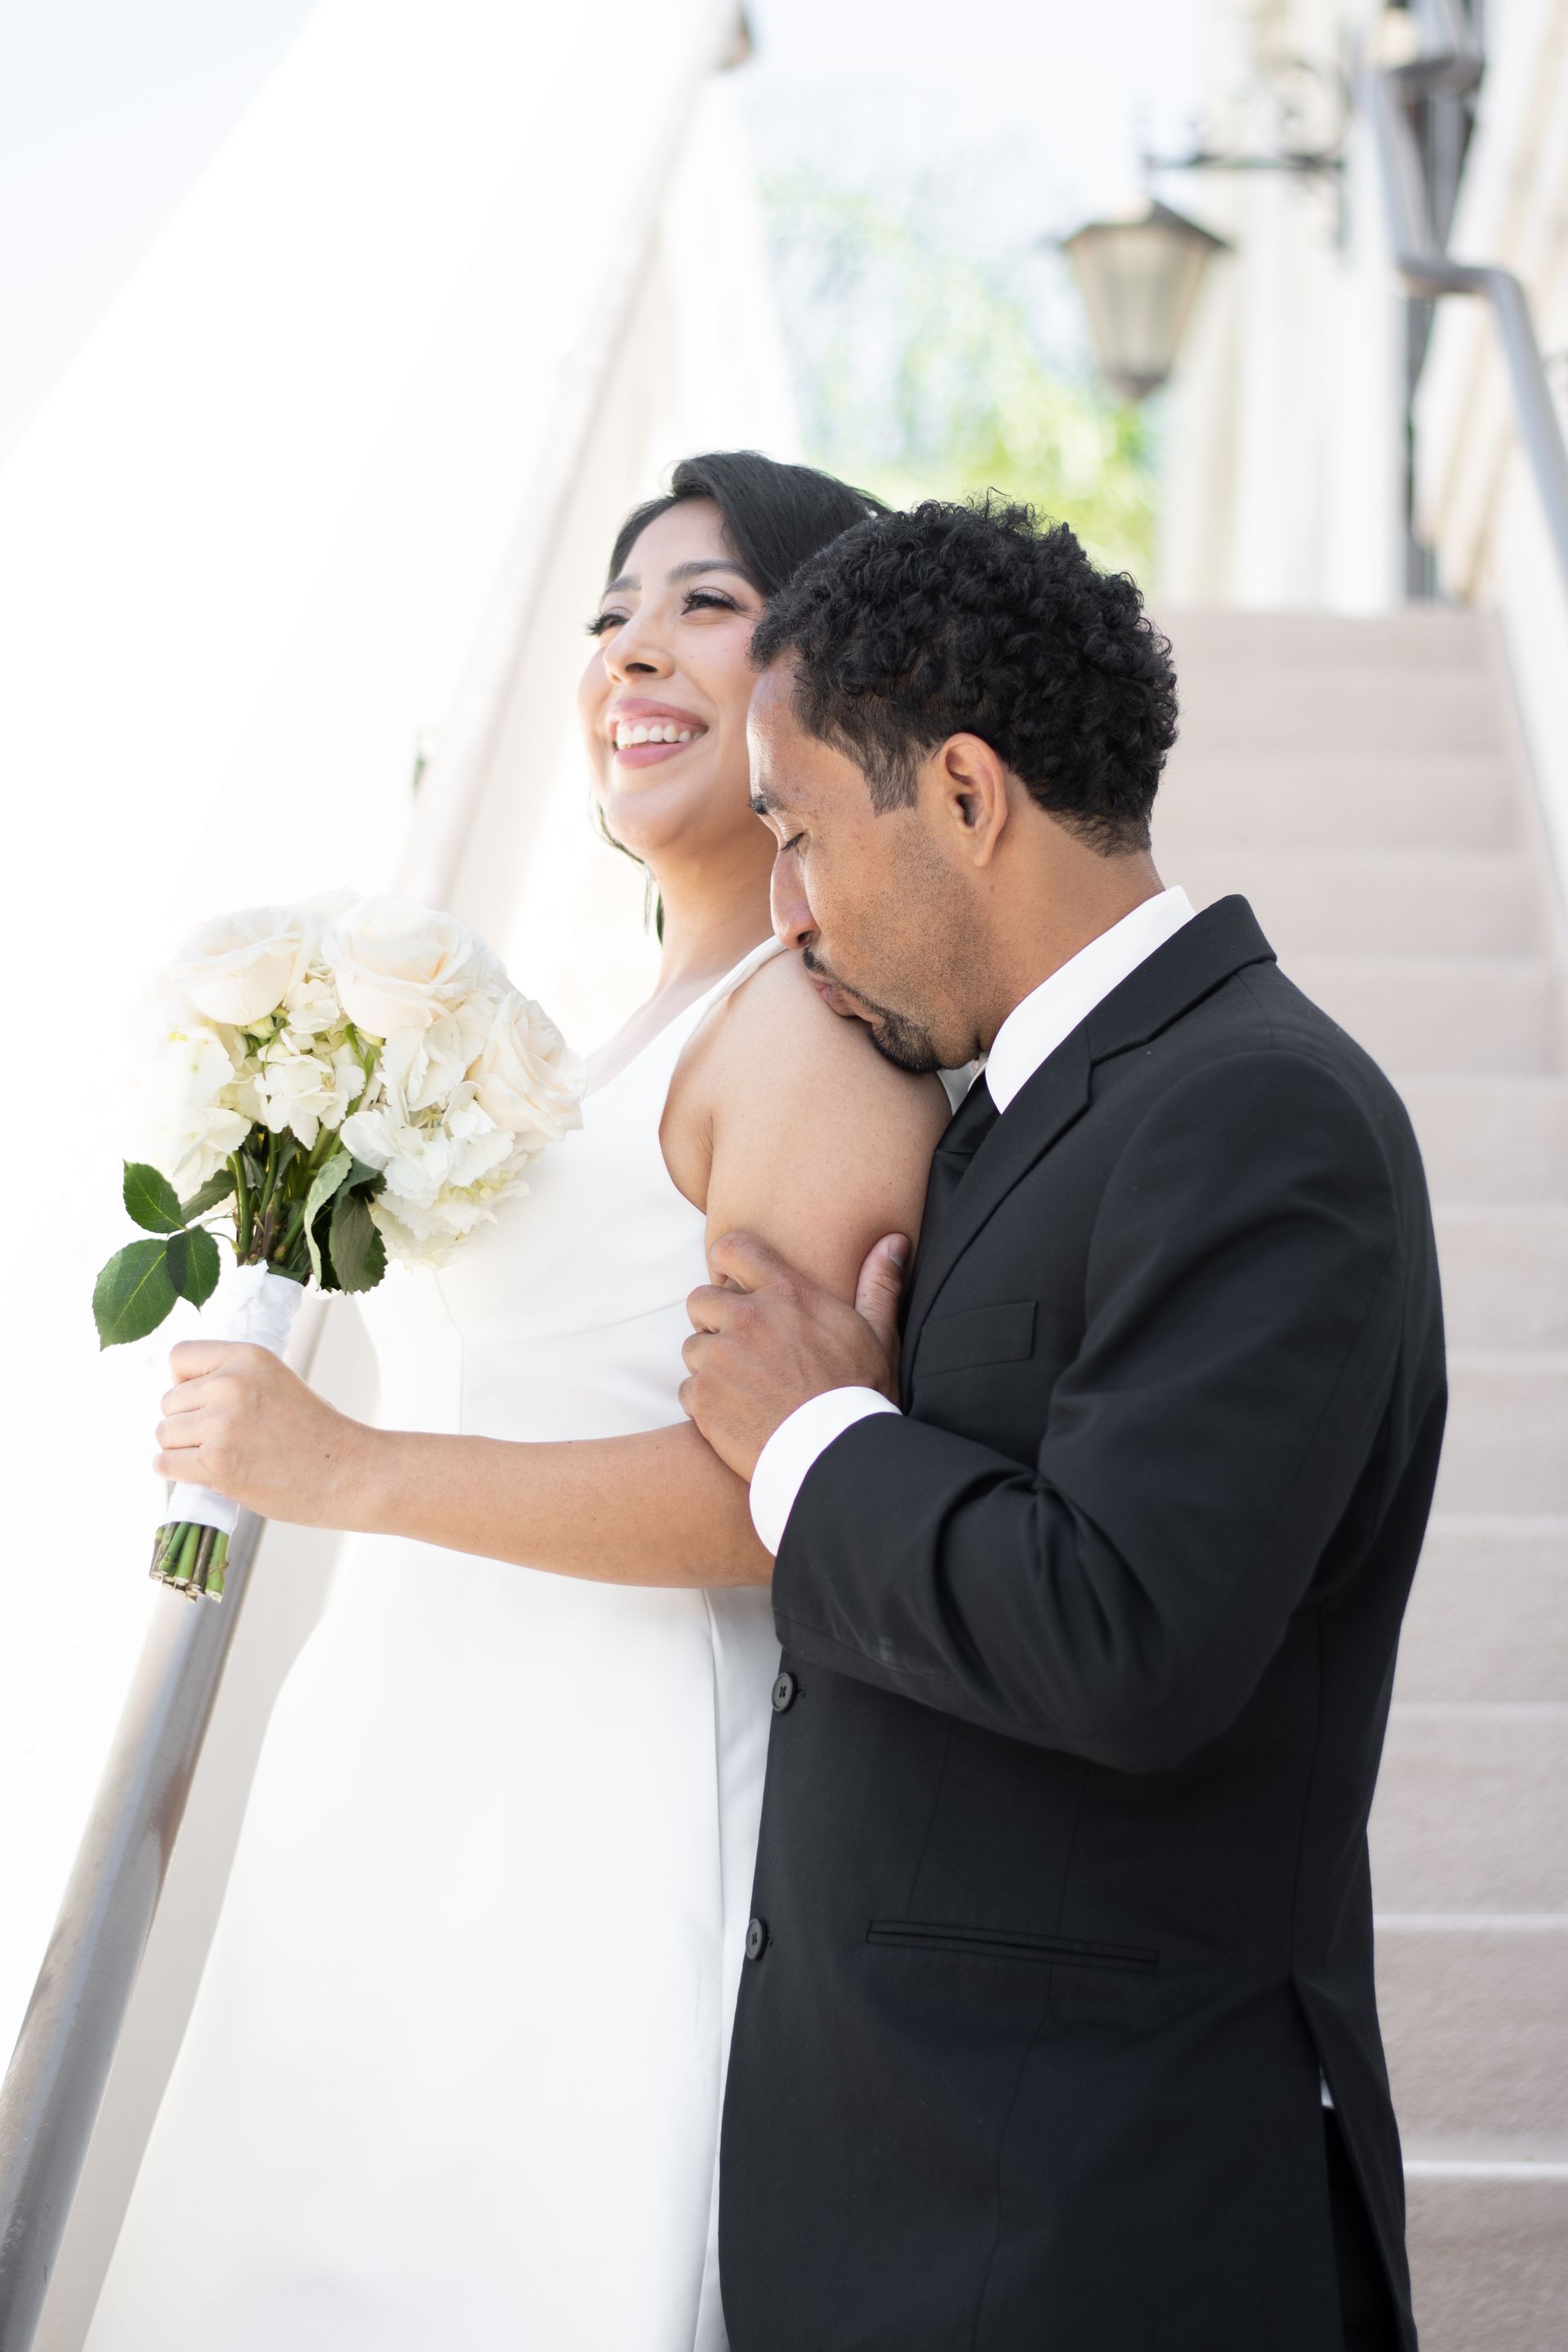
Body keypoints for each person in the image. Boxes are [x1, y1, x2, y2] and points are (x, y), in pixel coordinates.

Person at [86, 454, 949, 2352]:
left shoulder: (806, 1037)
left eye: (705, 605)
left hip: (598, 1784)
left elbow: (776, 1501)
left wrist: (349, 1469)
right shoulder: (615, 1025)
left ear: (827, 678)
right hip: (413, 1746)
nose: (634, 648)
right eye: (613, 611)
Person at [679, 500, 1444, 2352]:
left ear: (961, 794)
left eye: (799, 832)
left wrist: (811, 1446)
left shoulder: (1265, 1115)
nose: (787, 905)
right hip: (925, 2203)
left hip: (1099, 2226)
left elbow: (1128, 1639)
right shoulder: (1017, 1118)